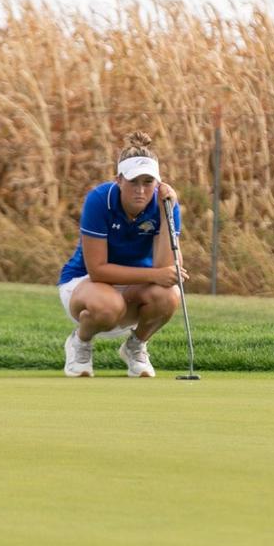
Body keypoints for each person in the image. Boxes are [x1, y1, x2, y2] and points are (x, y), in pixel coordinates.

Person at [57, 131, 186, 378]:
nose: (141, 190)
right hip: (85, 284)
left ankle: (135, 346)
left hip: (136, 287)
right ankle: (80, 343)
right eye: (133, 182)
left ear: (158, 183)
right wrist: (156, 275)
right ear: (119, 180)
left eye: (148, 182)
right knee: (108, 305)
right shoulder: (99, 200)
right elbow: (98, 270)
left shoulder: (166, 204)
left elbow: (166, 267)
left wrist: (164, 214)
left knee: (169, 295)